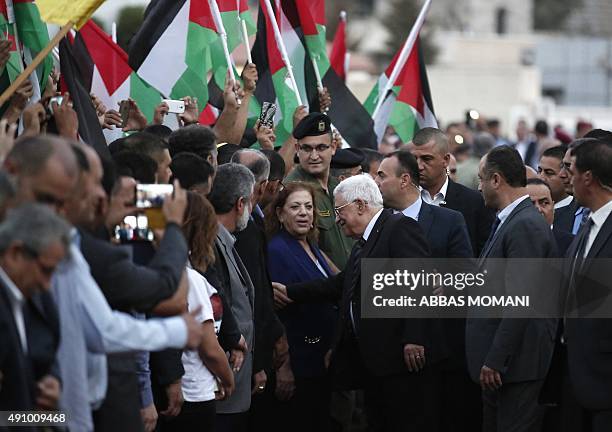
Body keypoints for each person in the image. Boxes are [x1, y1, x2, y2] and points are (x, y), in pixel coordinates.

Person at [273, 175, 441, 432]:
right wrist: (291, 292)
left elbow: (418, 282)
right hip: (375, 362)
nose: (337, 218)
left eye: (340, 210)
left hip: (399, 359)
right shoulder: (367, 240)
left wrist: (414, 337)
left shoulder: (398, 228)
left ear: (360, 205)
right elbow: (341, 284)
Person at [374, 150, 478, 430]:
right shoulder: (380, 223)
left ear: (404, 180)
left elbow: (465, 273)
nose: (376, 181)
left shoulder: (449, 220)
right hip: (389, 352)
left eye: (382, 175)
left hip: (439, 350)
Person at [467, 146, 558, 432]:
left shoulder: (524, 225)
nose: (478, 186)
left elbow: (522, 300)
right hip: (505, 369)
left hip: (515, 367)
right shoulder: (510, 221)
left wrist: (496, 359)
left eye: (481, 179)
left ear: (496, 180)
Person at [265, 182, 336, 432]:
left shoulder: (311, 245)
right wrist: (284, 367)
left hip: (320, 360)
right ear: (280, 213)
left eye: (308, 207)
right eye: (295, 207)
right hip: (298, 362)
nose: (304, 212)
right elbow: (277, 313)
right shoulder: (277, 250)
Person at [164, 192, 235, 431]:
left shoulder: (170, 270)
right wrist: (228, 379)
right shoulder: (189, 279)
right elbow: (209, 347)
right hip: (195, 391)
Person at [0, 204, 70, 422]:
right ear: (15, 254)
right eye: (46, 270)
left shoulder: (28, 299)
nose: (48, 285)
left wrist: (52, 384)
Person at [564, 138, 612, 432]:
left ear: (588, 177)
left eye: (570, 170)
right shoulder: (587, 225)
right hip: (576, 381)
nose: (564, 177)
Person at [207, 163, 256, 432]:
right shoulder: (210, 242)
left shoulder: (225, 240)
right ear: (240, 204)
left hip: (233, 388)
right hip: (219, 387)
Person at [408, 127, 494, 257]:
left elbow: (485, 256)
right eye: (414, 158)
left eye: (427, 159)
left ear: (446, 160)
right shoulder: (400, 201)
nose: (419, 166)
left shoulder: (474, 202)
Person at [284, 113, 353, 270]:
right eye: (307, 148)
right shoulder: (292, 190)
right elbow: (305, 250)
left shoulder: (340, 188)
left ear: (333, 147)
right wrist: (342, 282)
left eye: (321, 148)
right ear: (297, 149)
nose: (314, 156)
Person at [526, 178, 573, 255]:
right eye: (531, 204)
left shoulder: (572, 243)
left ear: (553, 207)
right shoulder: (511, 240)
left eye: (544, 203)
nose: (538, 209)